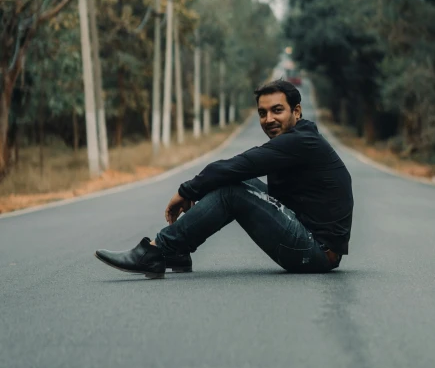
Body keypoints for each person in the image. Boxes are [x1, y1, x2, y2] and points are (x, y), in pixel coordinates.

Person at [95, 79, 354, 279]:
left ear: (296, 111)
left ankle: (155, 251)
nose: (269, 119)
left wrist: (187, 191)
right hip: (309, 239)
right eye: (263, 113)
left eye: (277, 110)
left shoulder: (300, 141)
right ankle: (176, 252)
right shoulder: (299, 139)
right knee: (235, 184)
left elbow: (239, 165)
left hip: (316, 253)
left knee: (231, 188)